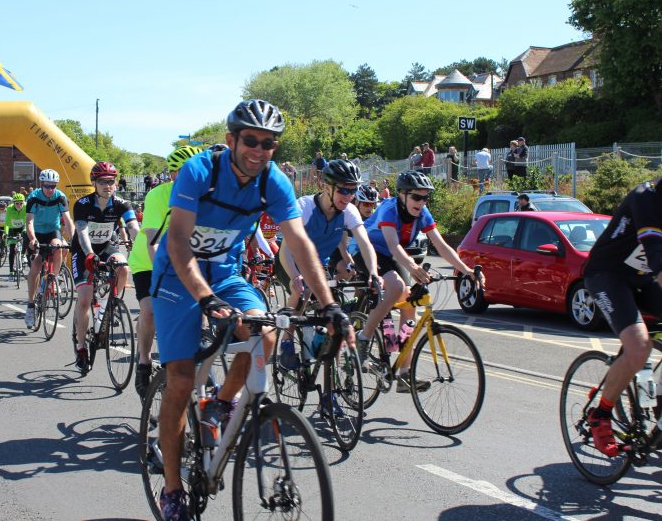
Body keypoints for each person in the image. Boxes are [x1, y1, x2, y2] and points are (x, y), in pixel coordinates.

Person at [151, 99, 354, 519]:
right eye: (250, 140)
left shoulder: (272, 181)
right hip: (177, 276)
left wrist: (331, 306)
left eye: (269, 143)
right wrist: (205, 300)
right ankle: (172, 488)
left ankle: (221, 404)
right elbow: (177, 242)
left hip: (225, 273)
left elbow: (300, 242)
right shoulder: (199, 172)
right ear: (231, 140)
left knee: (267, 331)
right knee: (181, 380)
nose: (259, 150)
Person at [353, 171, 483, 392]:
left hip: (393, 257)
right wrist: (413, 268)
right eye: (416, 197)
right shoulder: (388, 208)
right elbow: (393, 246)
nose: (421, 202)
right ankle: (364, 336)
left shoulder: (422, 213)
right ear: (402, 195)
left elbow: (441, 246)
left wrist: (467, 271)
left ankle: (404, 375)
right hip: (367, 251)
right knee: (396, 286)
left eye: (425, 198)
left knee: (410, 304)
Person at [276, 160, 381, 395]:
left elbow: (365, 244)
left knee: (333, 317)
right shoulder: (304, 207)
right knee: (301, 292)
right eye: (344, 189)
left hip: (316, 265)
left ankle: (329, 394)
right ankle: (285, 340)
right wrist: (295, 277)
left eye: (353, 190)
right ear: (327, 186)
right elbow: (285, 251)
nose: (349, 196)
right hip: (290, 261)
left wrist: (373, 272)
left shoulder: (349, 212)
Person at [582, 177, 662, 457]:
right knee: (639, 345)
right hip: (607, 275)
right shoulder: (647, 198)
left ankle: (657, 406)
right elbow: (656, 254)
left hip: (643, 278)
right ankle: (600, 414)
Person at [129, 145, 202, 399]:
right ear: (173, 175)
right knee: (150, 311)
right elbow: (153, 241)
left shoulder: (204, 196)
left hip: (183, 263)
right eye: (183, 173)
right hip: (149, 263)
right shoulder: (158, 196)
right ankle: (144, 362)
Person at [71, 161, 140, 373]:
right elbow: (82, 232)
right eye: (102, 182)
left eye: (111, 182)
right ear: (94, 183)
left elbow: (133, 228)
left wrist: (141, 247)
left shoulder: (121, 204)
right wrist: (90, 253)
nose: (107, 186)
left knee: (123, 268)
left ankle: (113, 305)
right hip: (84, 250)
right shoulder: (83, 203)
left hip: (107, 246)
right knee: (84, 299)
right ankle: (81, 347)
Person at [24, 169, 74, 328]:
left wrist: (72, 239)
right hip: (36, 233)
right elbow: (29, 222)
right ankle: (31, 305)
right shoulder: (33, 197)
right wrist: (33, 239)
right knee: (36, 267)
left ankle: (54, 278)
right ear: (42, 184)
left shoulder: (60, 197)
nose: (50, 189)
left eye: (53, 186)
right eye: (47, 186)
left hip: (53, 230)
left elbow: (67, 219)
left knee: (59, 247)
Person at [4, 194, 28, 278]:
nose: (19, 205)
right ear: (13, 203)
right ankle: (11, 272)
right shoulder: (9, 209)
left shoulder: (26, 207)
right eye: (17, 203)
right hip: (12, 228)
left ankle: (23, 254)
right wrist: (6, 233)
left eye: (21, 203)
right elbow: (7, 223)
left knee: (26, 235)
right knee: (12, 250)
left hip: (23, 227)